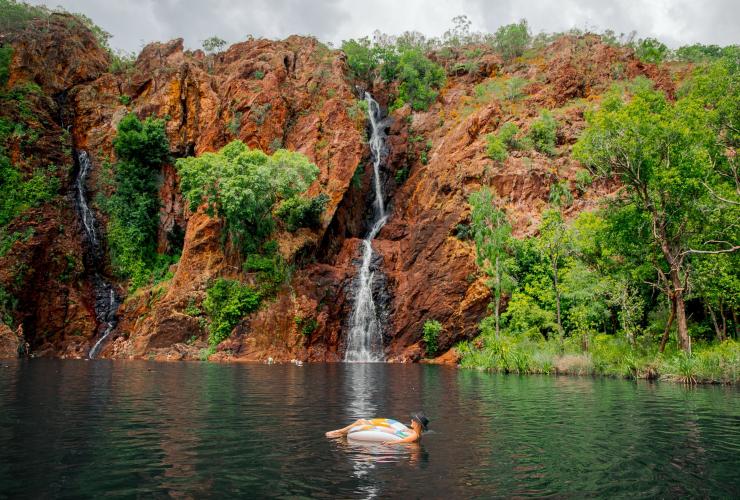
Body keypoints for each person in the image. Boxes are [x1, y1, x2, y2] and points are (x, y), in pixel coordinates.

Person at [325, 413, 429, 445]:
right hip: (394, 435)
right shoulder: (416, 433)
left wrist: (390, 443)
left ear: (418, 424)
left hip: (392, 441)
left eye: (413, 420)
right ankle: (340, 433)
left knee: (360, 422)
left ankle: (339, 432)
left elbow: (402, 441)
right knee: (361, 421)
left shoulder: (415, 435)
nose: (411, 420)